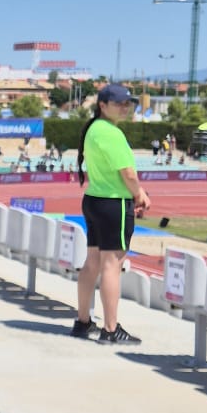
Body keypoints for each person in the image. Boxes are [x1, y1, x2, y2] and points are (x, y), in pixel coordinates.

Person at [73, 83, 149, 344]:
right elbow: (127, 173)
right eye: (119, 103)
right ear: (103, 106)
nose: (125, 107)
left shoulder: (93, 129)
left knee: (92, 262)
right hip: (113, 202)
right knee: (111, 265)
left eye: (128, 103)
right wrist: (140, 194)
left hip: (94, 199)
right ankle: (110, 328)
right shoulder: (111, 133)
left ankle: (83, 321)